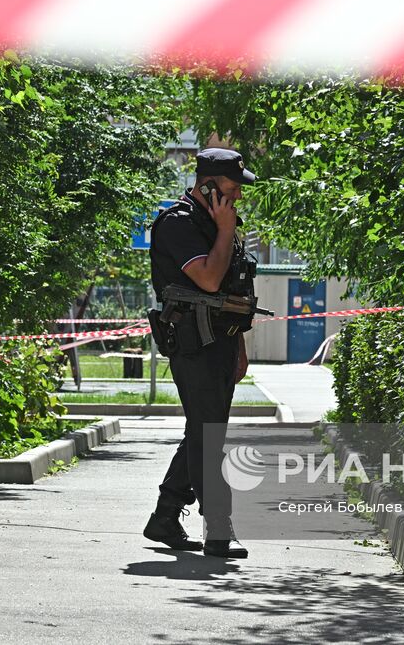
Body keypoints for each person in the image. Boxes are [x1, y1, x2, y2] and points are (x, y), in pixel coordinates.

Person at [142, 148, 256, 558]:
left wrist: (238, 347)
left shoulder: (218, 224)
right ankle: (219, 529)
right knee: (210, 437)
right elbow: (208, 280)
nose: (238, 197)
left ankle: (166, 515)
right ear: (207, 185)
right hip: (192, 344)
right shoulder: (178, 224)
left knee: (202, 432)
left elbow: (231, 294)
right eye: (231, 188)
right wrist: (225, 231)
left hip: (221, 342)